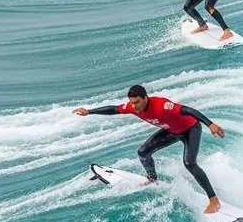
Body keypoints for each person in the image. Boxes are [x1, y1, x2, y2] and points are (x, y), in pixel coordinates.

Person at [73, 85, 225, 213]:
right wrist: (89, 111)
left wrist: (210, 124)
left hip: (191, 128)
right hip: (172, 130)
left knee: (189, 163)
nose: (134, 106)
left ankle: (214, 200)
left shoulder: (162, 106)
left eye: (137, 102)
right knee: (143, 152)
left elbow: (189, 110)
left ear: (145, 98)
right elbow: (114, 109)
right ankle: (152, 179)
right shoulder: (132, 108)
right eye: (132, 102)